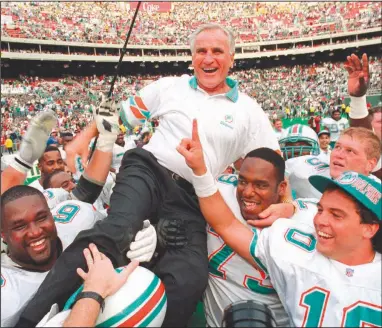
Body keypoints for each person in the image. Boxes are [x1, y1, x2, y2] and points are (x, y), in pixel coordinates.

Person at [16, 23, 280, 328]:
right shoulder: (169, 86)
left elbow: (271, 166)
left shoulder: (250, 111)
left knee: (189, 276)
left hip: (194, 197)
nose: (208, 58)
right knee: (116, 232)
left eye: (217, 51)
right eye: (201, 51)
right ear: (192, 57)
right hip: (148, 171)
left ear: (232, 57)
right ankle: (30, 319)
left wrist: (287, 204)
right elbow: (118, 118)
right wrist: (80, 140)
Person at [176, 121, 381, 326]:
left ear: (371, 228)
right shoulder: (291, 244)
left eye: (337, 215)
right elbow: (227, 225)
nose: (320, 220)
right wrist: (200, 171)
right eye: (320, 209)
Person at [0, 186, 154, 327]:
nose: (35, 232)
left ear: (51, 214)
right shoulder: (7, 295)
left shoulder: (81, 217)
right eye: (20, 226)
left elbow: (117, 233)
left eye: (41, 218)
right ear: (3, 235)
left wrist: (142, 233)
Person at [203, 148, 289, 327]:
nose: (248, 192)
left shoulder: (297, 226)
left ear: (281, 188)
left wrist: (291, 206)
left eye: (261, 185)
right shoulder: (220, 191)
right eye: (243, 181)